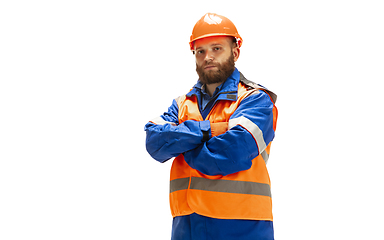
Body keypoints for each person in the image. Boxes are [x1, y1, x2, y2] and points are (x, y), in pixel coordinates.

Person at [144, 13, 278, 240]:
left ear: (235, 52)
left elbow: (226, 155)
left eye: (217, 48)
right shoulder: (182, 103)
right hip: (186, 225)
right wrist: (210, 130)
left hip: (242, 226)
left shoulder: (256, 100)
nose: (208, 57)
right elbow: (155, 143)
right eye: (201, 51)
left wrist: (181, 142)